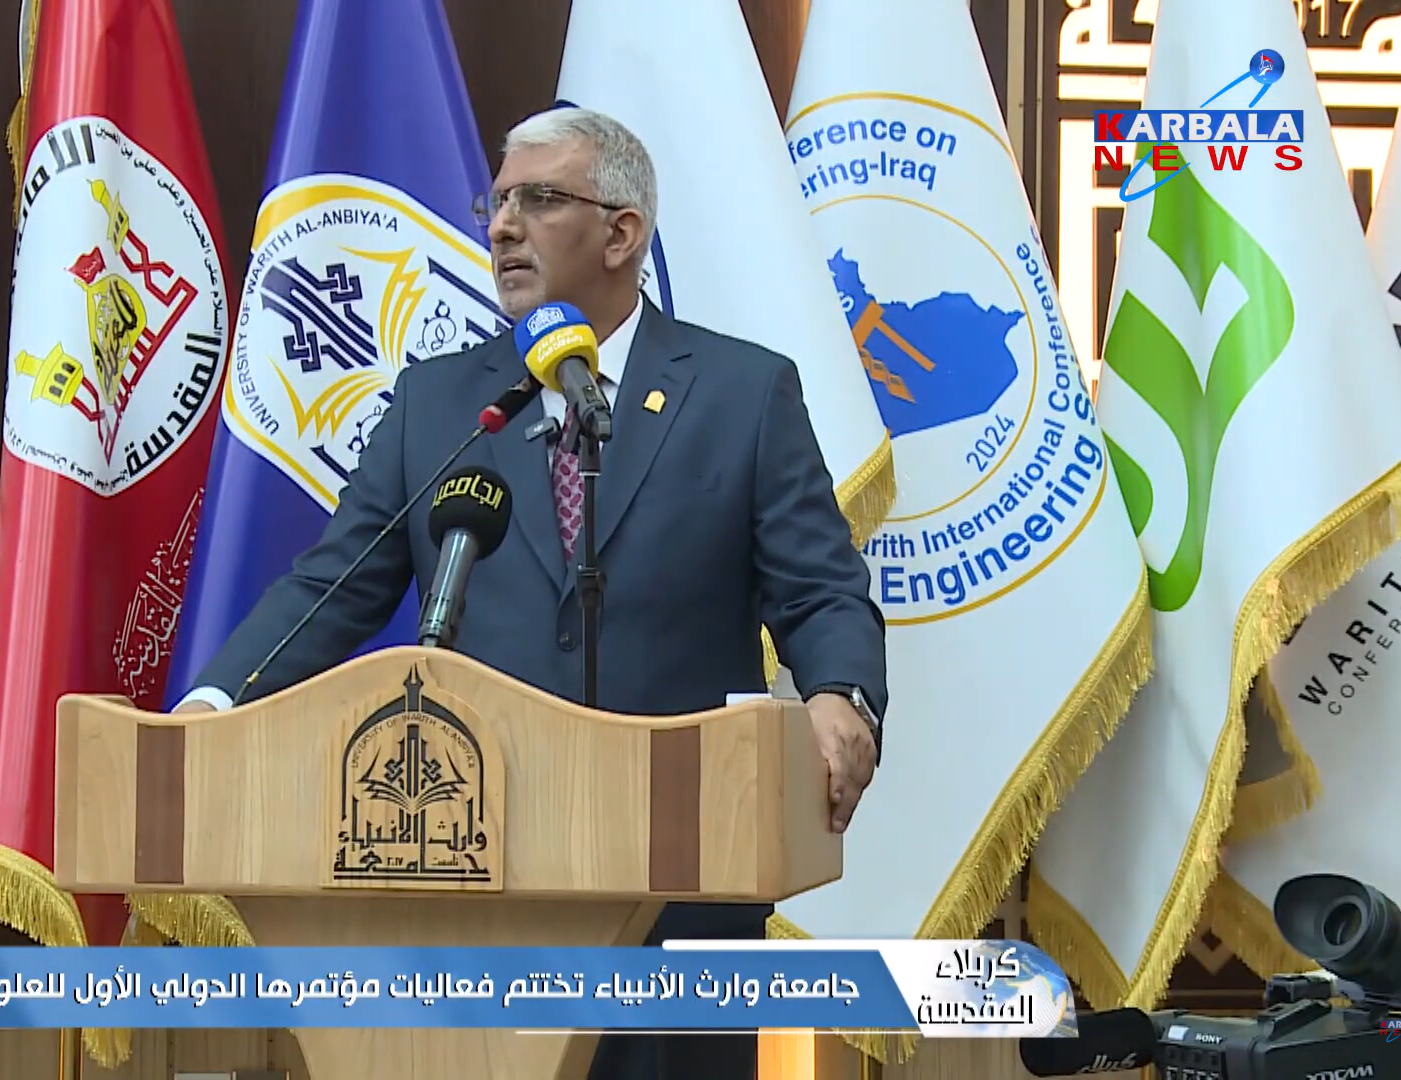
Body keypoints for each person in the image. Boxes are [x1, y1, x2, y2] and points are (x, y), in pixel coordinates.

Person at [175, 107, 887, 1079]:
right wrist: (218, 702)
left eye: (539, 200)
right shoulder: (439, 403)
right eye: (498, 202)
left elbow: (820, 589)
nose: (503, 226)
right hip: (478, 883)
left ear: (622, 233)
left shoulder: (740, 393)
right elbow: (334, 581)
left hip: (684, 893)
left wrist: (843, 696)